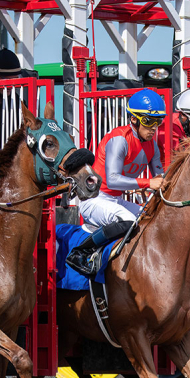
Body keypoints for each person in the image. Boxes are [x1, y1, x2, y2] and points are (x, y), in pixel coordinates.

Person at [66, 89, 166, 275]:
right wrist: (148, 183)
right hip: (94, 200)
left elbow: (160, 178)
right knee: (129, 220)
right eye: (149, 121)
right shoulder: (120, 139)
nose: (154, 127)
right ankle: (80, 253)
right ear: (134, 119)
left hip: (115, 201)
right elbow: (112, 180)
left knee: (154, 217)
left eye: (158, 121)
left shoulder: (152, 144)